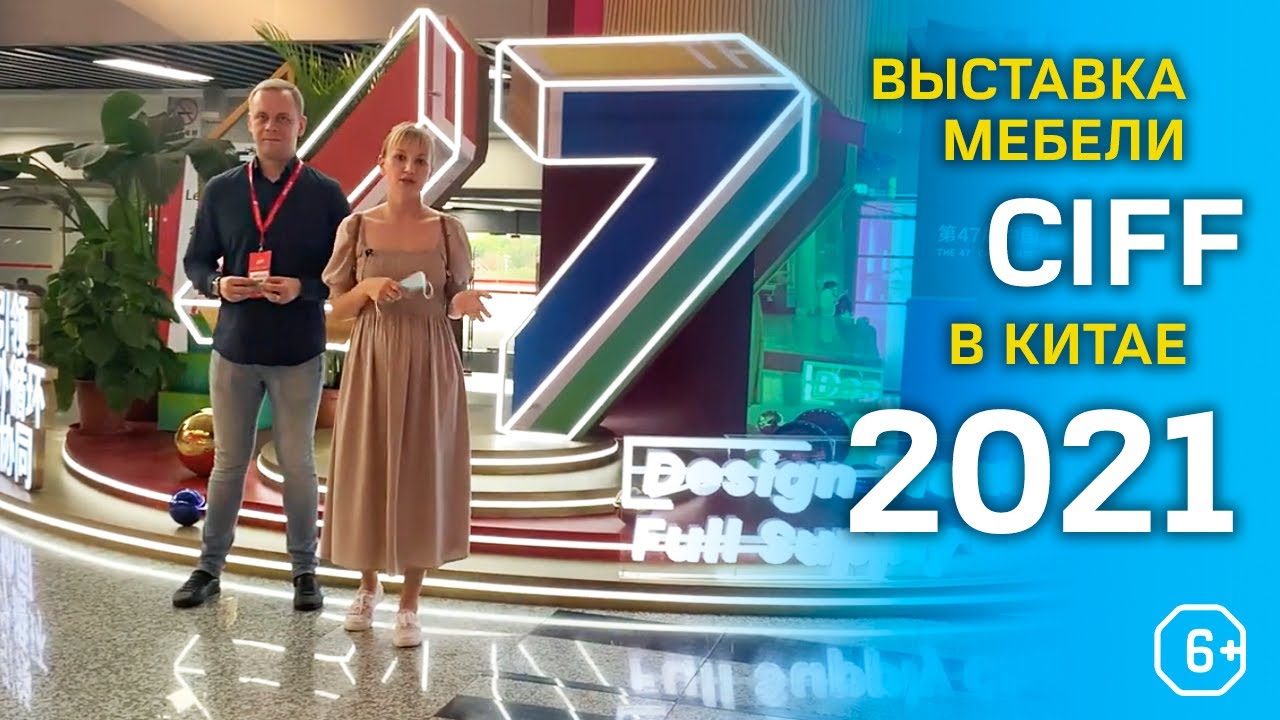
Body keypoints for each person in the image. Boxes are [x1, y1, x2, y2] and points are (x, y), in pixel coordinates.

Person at [173, 78, 351, 611]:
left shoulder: (325, 194)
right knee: (228, 464)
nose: (272, 126)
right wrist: (216, 284)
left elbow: (344, 274)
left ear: (300, 126)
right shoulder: (223, 190)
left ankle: (304, 572)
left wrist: (304, 288)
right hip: (234, 348)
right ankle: (208, 568)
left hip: (298, 350)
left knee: (298, 463)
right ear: (251, 124)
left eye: (282, 118)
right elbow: (196, 261)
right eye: (262, 117)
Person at [320, 122, 490, 648]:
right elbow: (336, 309)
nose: (409, 169)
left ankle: (411, 602)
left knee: (423, 471)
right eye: (401, 158)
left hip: (431, 358)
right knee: (368, 466)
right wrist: (367, 288)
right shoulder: (357, 227)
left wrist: (461, 303)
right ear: (383, 162)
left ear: (429, 168)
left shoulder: (447, 230)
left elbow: (453, 298)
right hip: (373, 356)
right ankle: (366, 586)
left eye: (420, 160)